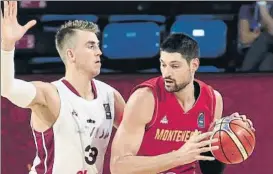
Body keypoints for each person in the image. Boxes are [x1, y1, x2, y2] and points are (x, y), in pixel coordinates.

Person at [1, 2, 125, 174]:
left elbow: (141, 133)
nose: (99, 52)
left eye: (97, 45)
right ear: (71, 54)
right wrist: (7, 47)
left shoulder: (110, 95)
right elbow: (7, 89)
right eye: (91, 46)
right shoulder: (50, 94)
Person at [110, 33, 254, 174]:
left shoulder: (213, 100)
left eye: (174, 66)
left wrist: (226, 135)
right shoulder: (146, 98)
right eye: (163, 65)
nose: (166, 73)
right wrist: (178, 157)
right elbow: (118, 166)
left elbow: (210, 168)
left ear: (194, 65)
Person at [238, 1, 273, 72]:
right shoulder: (246, 7)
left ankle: (245, 72)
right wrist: (262, 31)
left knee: (265, 38)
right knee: (265, 38)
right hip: (251, 48)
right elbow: (244, 39)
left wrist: (263, 11)